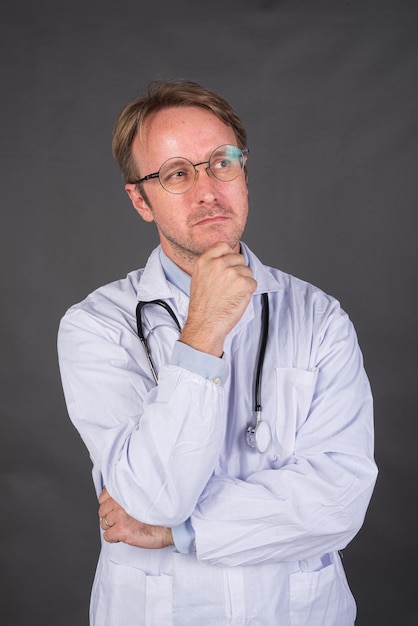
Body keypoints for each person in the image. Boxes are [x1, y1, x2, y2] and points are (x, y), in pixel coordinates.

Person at [57, 79, 378, 626]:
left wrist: (177, 531)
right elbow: (156, 494)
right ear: (141, 199)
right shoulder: (96, 326)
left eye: (221, 162)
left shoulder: (319, 318)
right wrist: (202, 331)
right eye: (177, 173)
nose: (208, 190)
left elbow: (338, 502)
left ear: (243, 172)